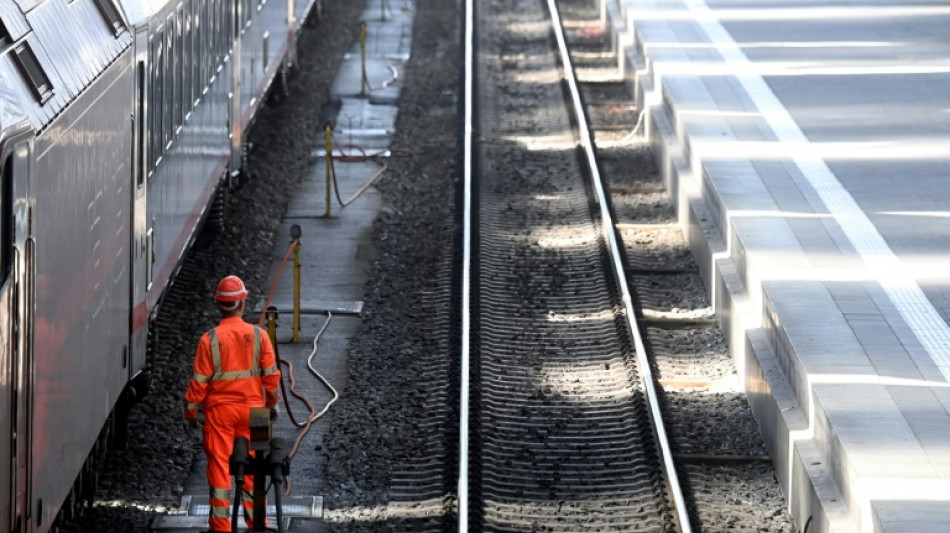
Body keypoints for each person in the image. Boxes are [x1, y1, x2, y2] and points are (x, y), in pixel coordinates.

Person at [184, 275, 281, 532]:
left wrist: (191, 411)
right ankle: (257, 522)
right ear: (243, 303)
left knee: (219, 469)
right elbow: (271, 377)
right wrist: (272, 404)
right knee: (255, 467)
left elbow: (199, 382)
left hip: (220, 413)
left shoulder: (209, 340)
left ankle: (221, 526)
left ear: (218, 305)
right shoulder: (259, 336)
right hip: (256, 412)